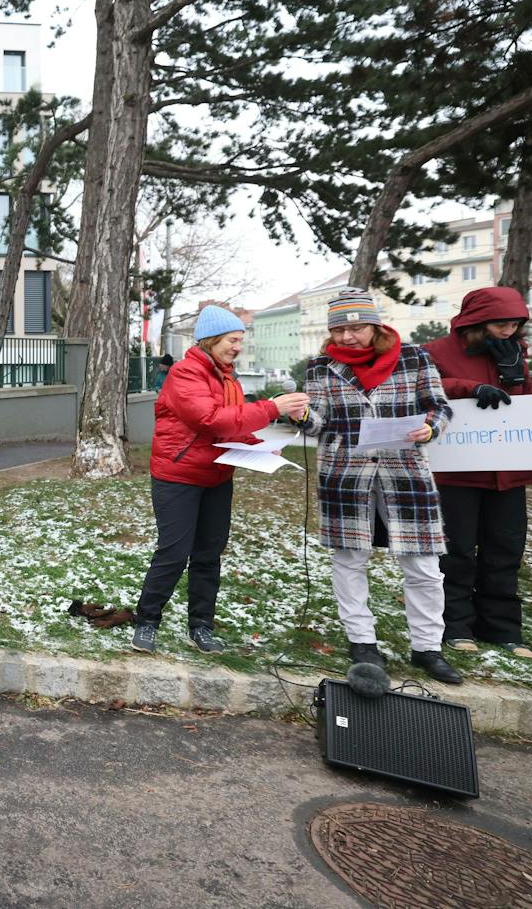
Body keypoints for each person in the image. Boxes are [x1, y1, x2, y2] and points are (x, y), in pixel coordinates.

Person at [299, 288, 461, 684]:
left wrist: (430, 428)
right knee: (349, 560)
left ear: (374, 324)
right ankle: (362, 642)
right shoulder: (321, 367)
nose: (346, 337)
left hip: (404, 473)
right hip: (344, 475)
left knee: (423, 565)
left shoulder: (414, 358)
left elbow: (440, 407)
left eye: (355, 328)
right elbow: (319, 421)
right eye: (339, 329)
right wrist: (302, 415)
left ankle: (427, 647)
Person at [133, 305, 309, 654]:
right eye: (232, 339)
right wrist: (273, 407)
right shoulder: (185, 374)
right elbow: (211, 420)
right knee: (173, 553)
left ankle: (200, 626)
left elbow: (235, 424)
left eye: (240, 340)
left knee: (209, 554)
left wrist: (261, 447)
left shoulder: (228, 377)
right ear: (211, 340)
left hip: (217, 475)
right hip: (178, 476)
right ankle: (147, 621)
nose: (237, 347)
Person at [423, 287, 532, 659]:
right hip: (458, 470)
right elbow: (425, 388)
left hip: (508, 469)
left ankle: (502, 626)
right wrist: (469, 388)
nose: (508, 330)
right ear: (477, 320)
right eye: (500, 323)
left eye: (514, 324)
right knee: (456, 550)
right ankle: (455, 624)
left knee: (504, 549)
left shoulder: (515, 352)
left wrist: (514, 376)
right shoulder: (438, 351)